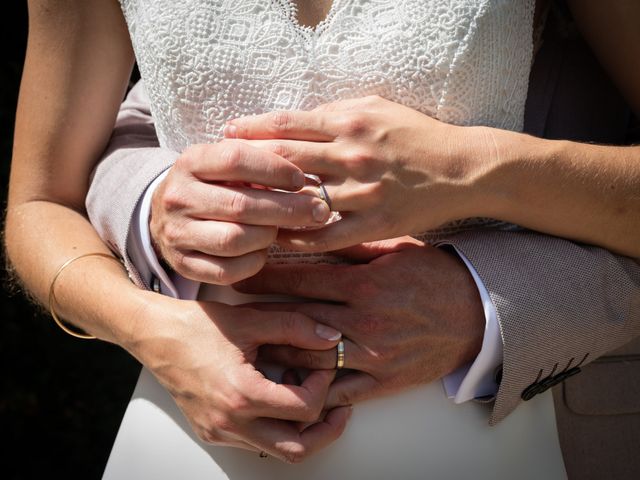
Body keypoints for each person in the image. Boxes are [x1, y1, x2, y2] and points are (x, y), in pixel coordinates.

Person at [4, 0, 639, 475]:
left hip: (495, 434)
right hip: (195, 440)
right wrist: (154, 331)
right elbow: (38, 204)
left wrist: (468, 175)